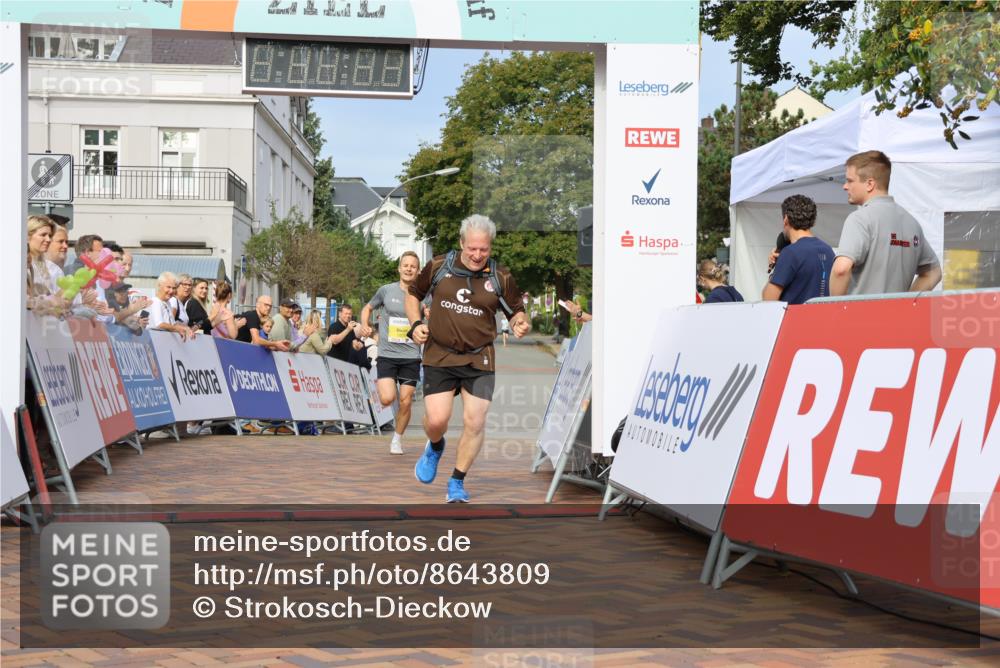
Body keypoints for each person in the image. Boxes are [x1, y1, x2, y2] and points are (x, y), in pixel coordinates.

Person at [405, 214, 531, 503]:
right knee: (437, 420)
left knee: (475, 421)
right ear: (461, 243)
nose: (477, 255)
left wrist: (521, 323)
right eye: (472, 248)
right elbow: (414, 295)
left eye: (483, 249)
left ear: (490, 247)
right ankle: (435, 446)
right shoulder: (439, 266)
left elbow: (517, 310)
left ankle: (457, 481)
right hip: (439, 353)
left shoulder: (500, 277)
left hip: (480, 358)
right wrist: (414, 326)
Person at [831, 150, 941, 296]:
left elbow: (841, 270)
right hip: (897, 317)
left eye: (850, 180)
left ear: (870, 184)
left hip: (859, 316)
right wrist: (905, 303)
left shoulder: (859, 219)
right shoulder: (911, 223)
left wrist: (834, 310)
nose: (845, 186)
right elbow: (934, 272)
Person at [360, 251, 424, 455]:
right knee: (388, 399)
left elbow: (434, 316)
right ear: (399, 268)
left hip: (411, 355)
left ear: (418, 270)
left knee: (406, 400)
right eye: (405, 265)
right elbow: (367, 308)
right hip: (387, 353)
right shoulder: (386, 291)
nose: (408, 268)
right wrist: (364, 325)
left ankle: (397, 439)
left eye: (412, 266)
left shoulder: (424, 295)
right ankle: (389, 389)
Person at [762, 195, 835, 305]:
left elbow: (768, 299)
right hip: (824, 318)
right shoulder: (828, 250)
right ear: (813, 221)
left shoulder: (790, 253)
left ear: (786, 219)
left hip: (796, 319)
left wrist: (774, 272)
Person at [148, 272, 192, 340]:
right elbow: (159, 324)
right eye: (168, 287)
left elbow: (172, 324)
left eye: (174, 288)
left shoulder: (167, 303)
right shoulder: (155, 302)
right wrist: (178, 328)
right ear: (160, 286)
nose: (171, 291)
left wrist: (185, 329)